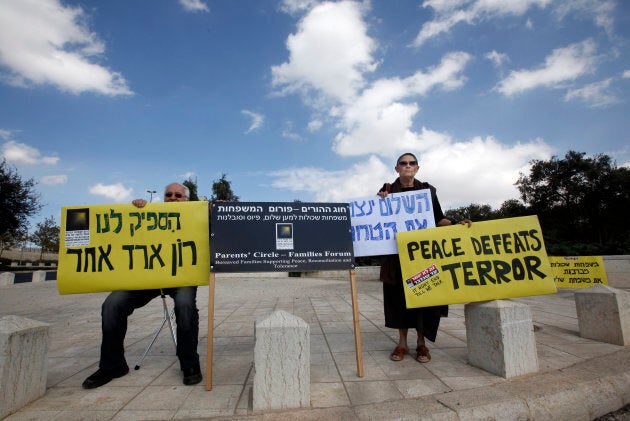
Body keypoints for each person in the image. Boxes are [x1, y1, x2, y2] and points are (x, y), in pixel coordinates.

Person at [82, 182, 202, 389]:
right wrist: (134, 210)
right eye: (169, 195)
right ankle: (113, 365)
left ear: (187, 200)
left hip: (181, 278)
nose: (173, 198)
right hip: (146, 278)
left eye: (178, 195)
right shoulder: (147, 214)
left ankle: (189, 364)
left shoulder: (197, 217)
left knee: (185, 305)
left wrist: (219, 210)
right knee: (112, 303)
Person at [377, 153, 471, 364]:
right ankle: (402, 343)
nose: (407, 166)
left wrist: (457, 224)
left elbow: (439, 219)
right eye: (403, 163)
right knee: (399, 300)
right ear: (397, 168)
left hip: (423, 256)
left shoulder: (427, 191)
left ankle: (421, 343)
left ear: (417, 168)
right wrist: (380, 201)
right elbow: (379, 217)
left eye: (412, 163)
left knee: (424, 300)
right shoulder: (388, 190)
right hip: (398, 257)